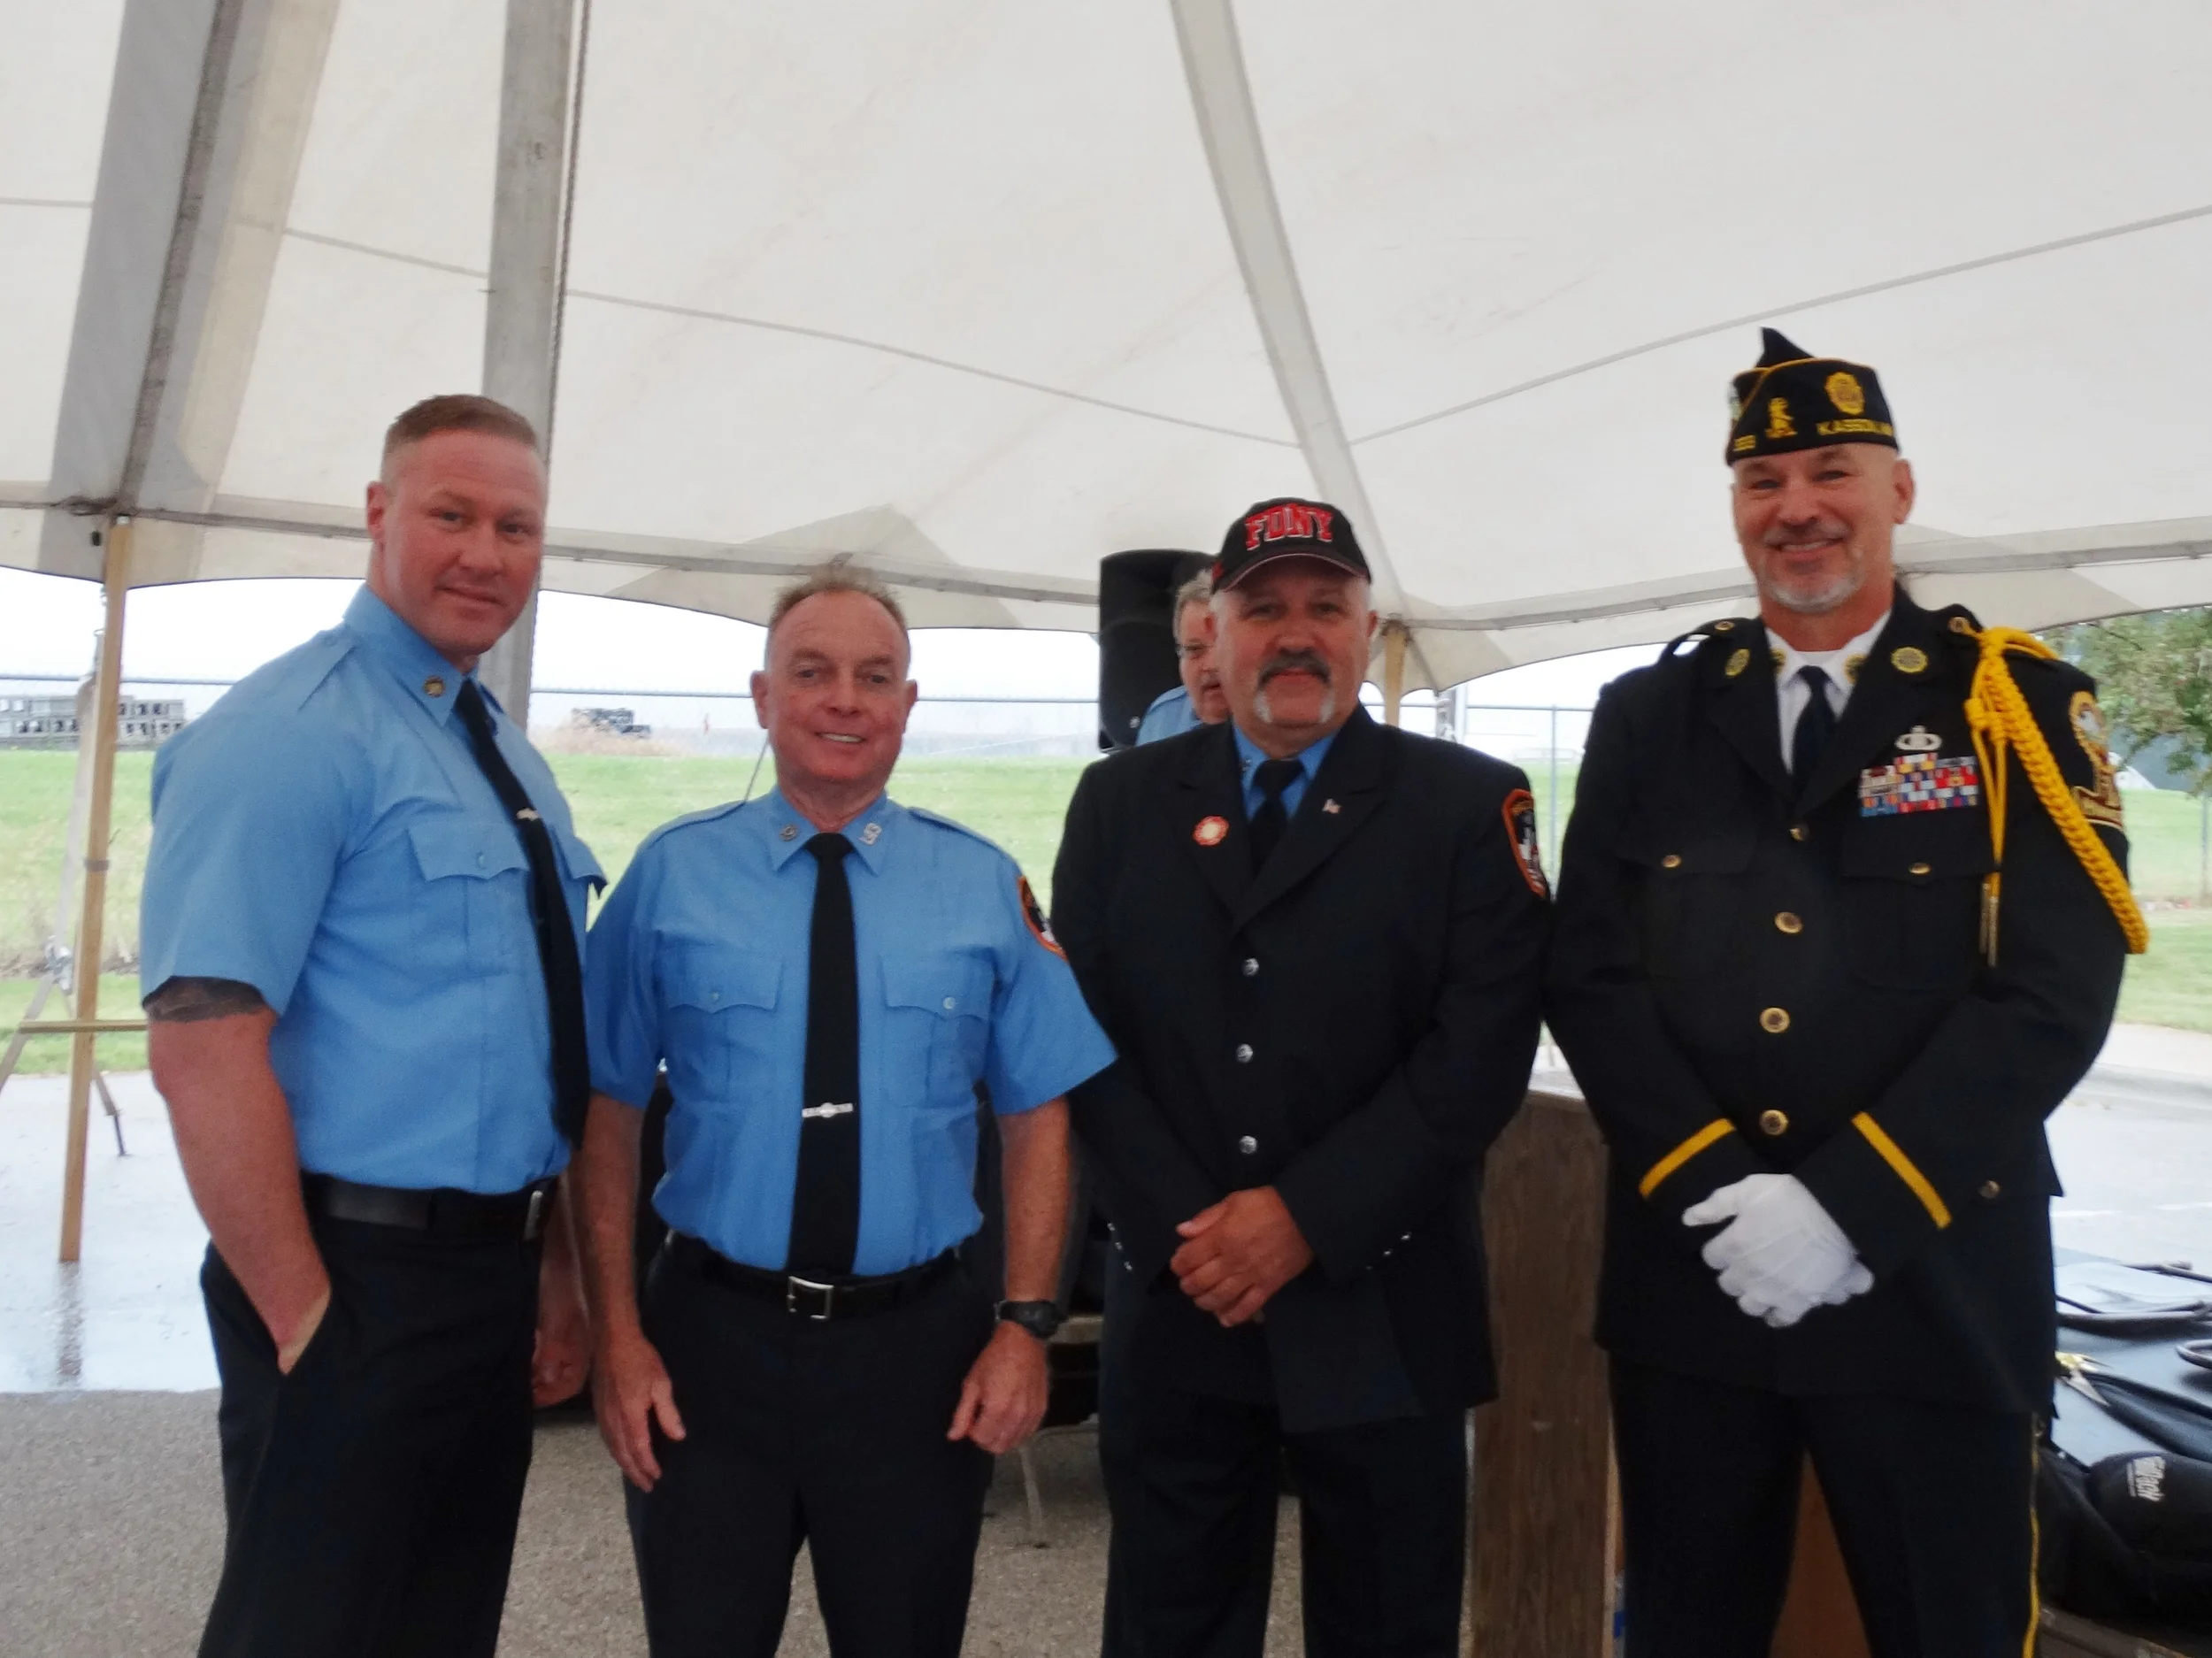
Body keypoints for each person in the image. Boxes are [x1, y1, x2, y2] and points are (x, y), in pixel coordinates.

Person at [1546, 330, 2146, 1657]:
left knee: (1955, 1627)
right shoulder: (1653, 713)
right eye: (1763, 481)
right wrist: (1719, 1180)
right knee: (1689, 1628)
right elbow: (1588, 967)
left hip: (1935, 1267)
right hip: (1699, 1277)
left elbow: (2053, 989)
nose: (1798, 507)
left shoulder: (2012, 705)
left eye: (1832, 470)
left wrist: (1843, 1205)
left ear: (1900, 491)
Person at [573, 565, 1116, 1658]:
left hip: (914, 1353)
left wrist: (1024, 1326)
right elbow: (607, 1111)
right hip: (709, 1344)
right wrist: (616, 1337)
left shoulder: (980, 884)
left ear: (908, 704)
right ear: (762, 695)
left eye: (875, 677)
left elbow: (1037, 1116)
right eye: (811, 672)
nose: (843, 700)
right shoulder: (673, 876)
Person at [140, 394, 600, 1658]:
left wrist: (553, 1271)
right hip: (348, 1267)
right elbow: (199, 1045)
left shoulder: (491, 744)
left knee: (438, 1624)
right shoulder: (288, 735)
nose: (485, 552)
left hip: (483, 1271)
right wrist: (305, 1317)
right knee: (311, 1629)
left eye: (517, 525)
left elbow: (527, 1036)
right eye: (451, 514)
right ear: (379, 514)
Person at [1054, 497, 1550, 1657]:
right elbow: (1081, 1035)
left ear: (1367, 631)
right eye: (1263, 607)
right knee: (1171, 1623)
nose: (1295, 634)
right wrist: (1198, 1233)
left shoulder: (1467, 805)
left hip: (1385, 1300)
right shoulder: (1122, 803)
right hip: (1182, 1301)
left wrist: (1301, 1221)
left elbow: (1479, 1053)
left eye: (1325, 608)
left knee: (1388, 1623)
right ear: (1211, 637)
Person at [1135, 570, 1231, 743]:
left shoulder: (1284, 722)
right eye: (1194, 649)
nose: (1211, 664)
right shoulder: (1161, 719)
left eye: (1224, 647)